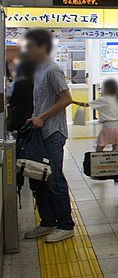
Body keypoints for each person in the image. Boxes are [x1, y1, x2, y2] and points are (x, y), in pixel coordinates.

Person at [23, 29, 75, 243]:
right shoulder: (38, 70)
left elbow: (66, 99)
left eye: (31, 46)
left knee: (54, 179)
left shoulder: (53, 69)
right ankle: (48, 222)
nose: (28, 50)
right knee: (39, 178)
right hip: (40, 132)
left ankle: (66, 225)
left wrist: (42, 117)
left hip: (53, 132)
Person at [73, 79, 118, 152]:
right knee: (115, 148)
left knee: (99, 148)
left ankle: (98, 162)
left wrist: (72, 101)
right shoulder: (115, 99)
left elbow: (87, 104)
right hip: (116, 127)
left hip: (107, 127)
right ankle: (116, 162)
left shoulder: (103, 99)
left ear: (106, 89)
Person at [7, 55, 35, 132]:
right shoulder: (36, 81)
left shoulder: (20, 81)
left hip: (20, 114)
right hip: (33, 114)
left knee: (21, 136)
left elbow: (13, 99)